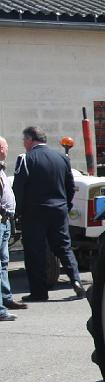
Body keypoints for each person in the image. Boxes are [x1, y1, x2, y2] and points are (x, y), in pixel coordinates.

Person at [11, 126, 84, 301]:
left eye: (24, 140)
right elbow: (70, 186)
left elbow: (18, 189)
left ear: (30, 139)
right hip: (58, 210)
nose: (24, 143)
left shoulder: (25, 158)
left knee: (35, 251)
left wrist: (17, 212)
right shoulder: (61, 158)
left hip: (34, 212)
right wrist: (65, 205)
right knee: (64, 247)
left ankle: (39, 292)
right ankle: (76, 281)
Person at [0, 136, 27, 320]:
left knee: (3, 263)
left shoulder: (1, 168)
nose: (8, 149)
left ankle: (6, 298)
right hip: (1, 219)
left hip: (5, 221)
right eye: (6, 146)